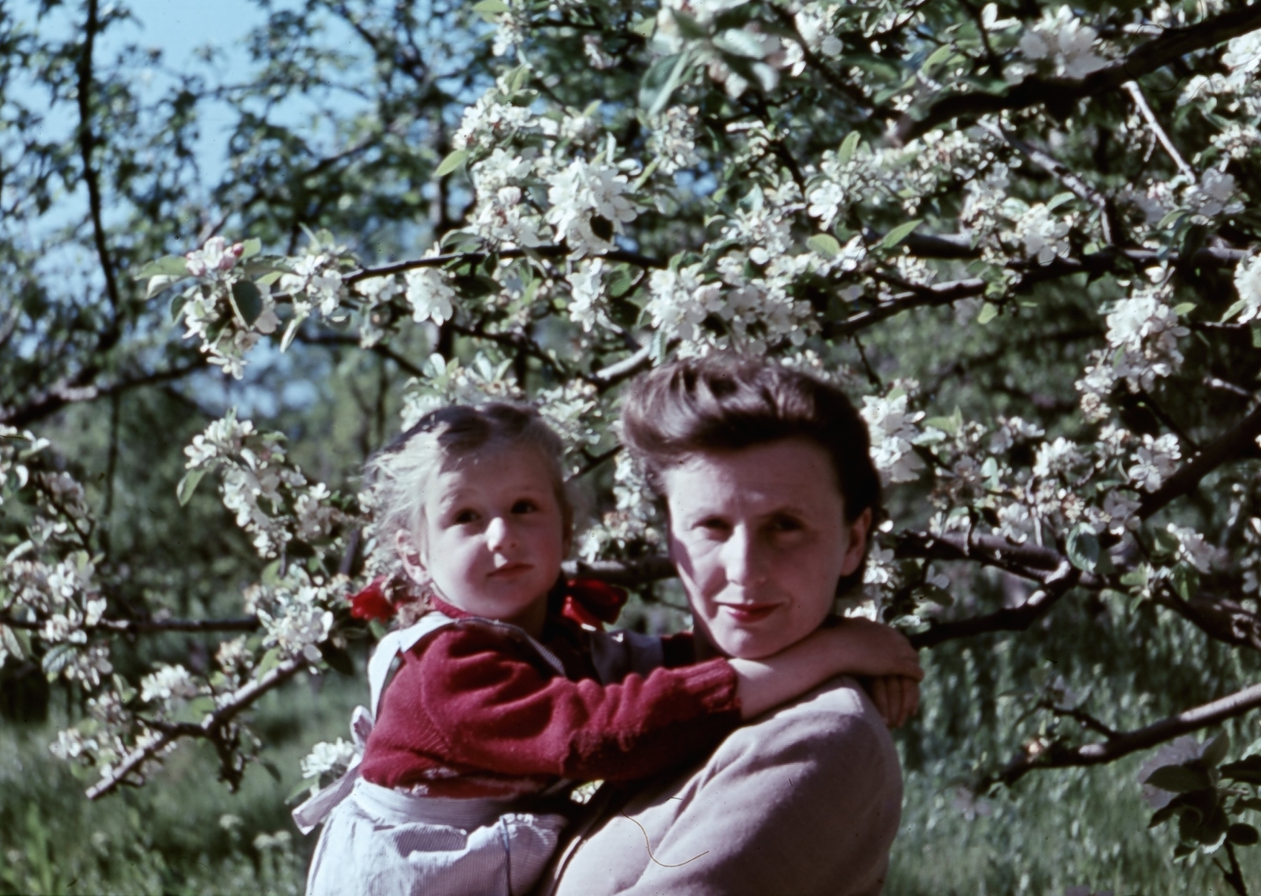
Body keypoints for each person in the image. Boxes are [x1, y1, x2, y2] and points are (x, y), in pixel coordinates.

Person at [297, 401, 922, 896]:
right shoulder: (449, 668)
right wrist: (827, 654)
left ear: (566, 527)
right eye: (465, 517)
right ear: (413, 550)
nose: (501, 536)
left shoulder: (546, 640)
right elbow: (595, 733)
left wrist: (845, 654)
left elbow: (658, 670)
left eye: (524, 508)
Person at [538, 355, 916, 896]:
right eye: (712, 525)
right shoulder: (647, 690)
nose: (744, 570)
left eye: (786, 526)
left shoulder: (817, 735)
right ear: (670, 534)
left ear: (854, 541)